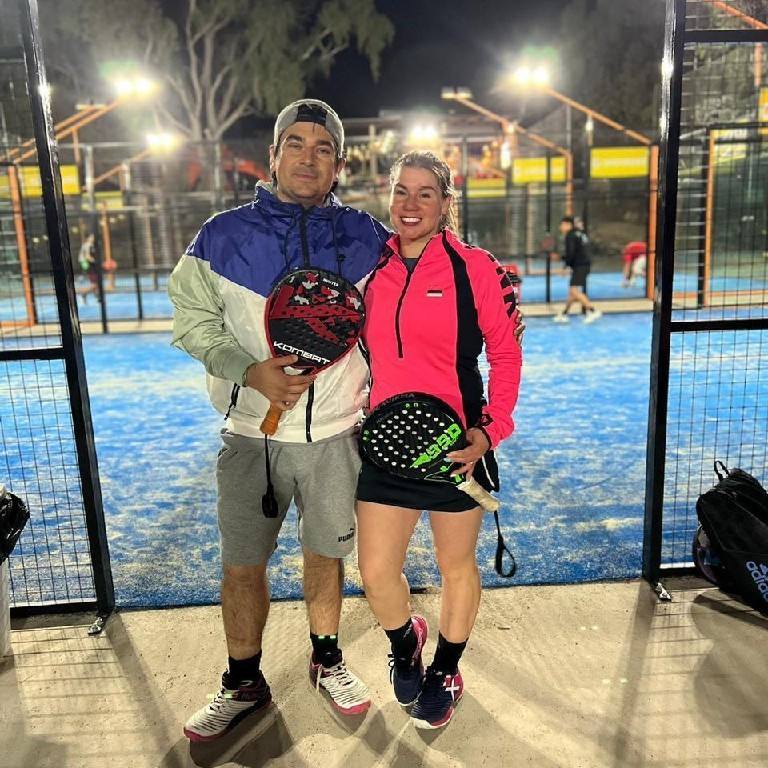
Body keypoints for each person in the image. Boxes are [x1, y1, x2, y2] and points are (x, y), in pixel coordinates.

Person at [168, 99, 390, 742]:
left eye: (323, 148)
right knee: (242, 564)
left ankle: (327, 660)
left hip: (337, 435)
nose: (308, 157)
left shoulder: (368, 238)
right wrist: (248, 370)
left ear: (339, 164)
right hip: (250, 438)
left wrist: (493, 303)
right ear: (272, 155)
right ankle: (243, 680)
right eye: (295, 143)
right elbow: (193, 321)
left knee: (326, 556)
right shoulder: (221, 235)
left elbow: (418, 300)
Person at [355, 150, 523, 730]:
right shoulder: (372, 267)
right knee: (376, 573)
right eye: (401, 191)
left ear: (446, 203)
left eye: (425, 193)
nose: (411, 204)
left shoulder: (474, 267)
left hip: (457, 449)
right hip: (389, 447)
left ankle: (447, 669)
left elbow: (505, 354)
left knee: (456, 565)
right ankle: (406, 642)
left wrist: (491, 429)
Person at [552, 215, 602, 323]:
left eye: (562, 225)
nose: (561, 227)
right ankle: (564, 314)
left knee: (574, 291)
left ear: (568, 225)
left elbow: (571, 253)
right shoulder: (580, 233)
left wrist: (564, 265)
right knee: (572, 292)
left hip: (581, 265)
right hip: (584, 264)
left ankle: (592, 310)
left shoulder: (570, 236)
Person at [77, 233, 99, 304]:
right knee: (94, 284)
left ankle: (97, 298)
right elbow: (87, 257)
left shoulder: (92, 245)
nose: (93, 238)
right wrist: (95, 261)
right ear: (87, 238)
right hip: (86, 264)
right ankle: (83, 294)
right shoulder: (86, 245)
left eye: (93, 236)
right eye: (91, 237)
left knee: (96, 284)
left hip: (91, 265)